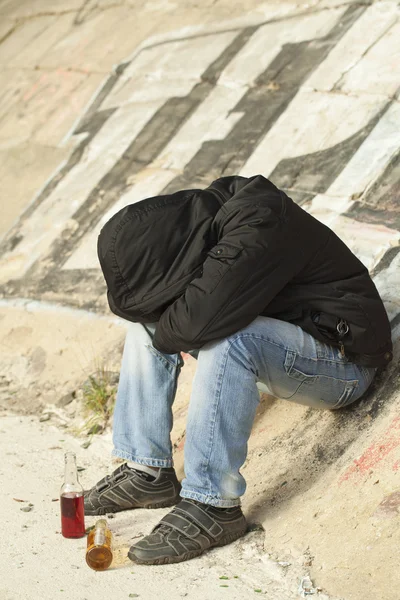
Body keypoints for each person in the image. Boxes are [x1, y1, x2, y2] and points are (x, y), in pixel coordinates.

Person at [84, 174, 392, 565]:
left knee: (229, 338)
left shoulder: (256, 231)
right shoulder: (209, 222)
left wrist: (165, 335)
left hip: (342, 362)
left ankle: (213, 506)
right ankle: (147, 472)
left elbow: (194, 325)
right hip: (287, 341)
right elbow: (177, 318)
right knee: (146, 322)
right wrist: (157, 320)